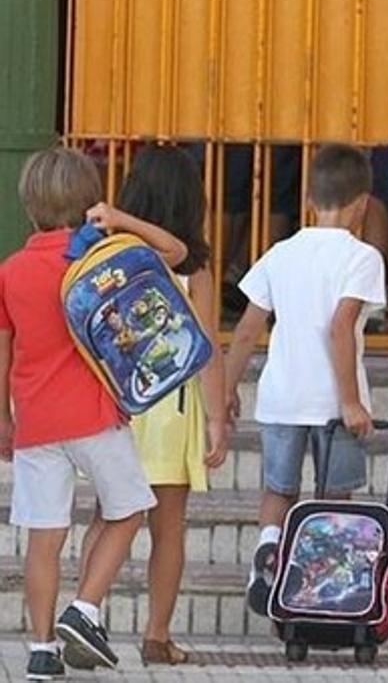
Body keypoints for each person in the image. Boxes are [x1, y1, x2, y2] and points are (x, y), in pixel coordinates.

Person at [0, 147, 186, 678]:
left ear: (30, 204)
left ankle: (40, 651)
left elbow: (3, 352)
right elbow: (175, 253)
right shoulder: (104, 255)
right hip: (96, 413)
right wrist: (122, 218)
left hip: (35, 419)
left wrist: (4, 419)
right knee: (128, 509)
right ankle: (84, 609)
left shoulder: (10, 271)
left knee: (44, 533)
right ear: (88, 200)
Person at [74, 147, 230, 667]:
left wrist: (118, 221)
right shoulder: (192, 266)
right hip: (171, 408)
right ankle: (157, 635)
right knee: (169, 528)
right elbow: (207, 348)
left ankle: (85, 610)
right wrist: (218, 419)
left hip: (116, 404)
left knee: (108, 516)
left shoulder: (110, 254)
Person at [223, 144, 387, 617]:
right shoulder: (363, 258)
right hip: (333, 404)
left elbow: (249, 329)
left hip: (281, 397)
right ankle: (325, 588)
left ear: (311, 201)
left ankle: (268, 552)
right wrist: (352, 402)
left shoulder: (281, 252)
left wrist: (228, 390)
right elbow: (340, 328)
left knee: (279, 490)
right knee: (335, 497)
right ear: (362, 203)